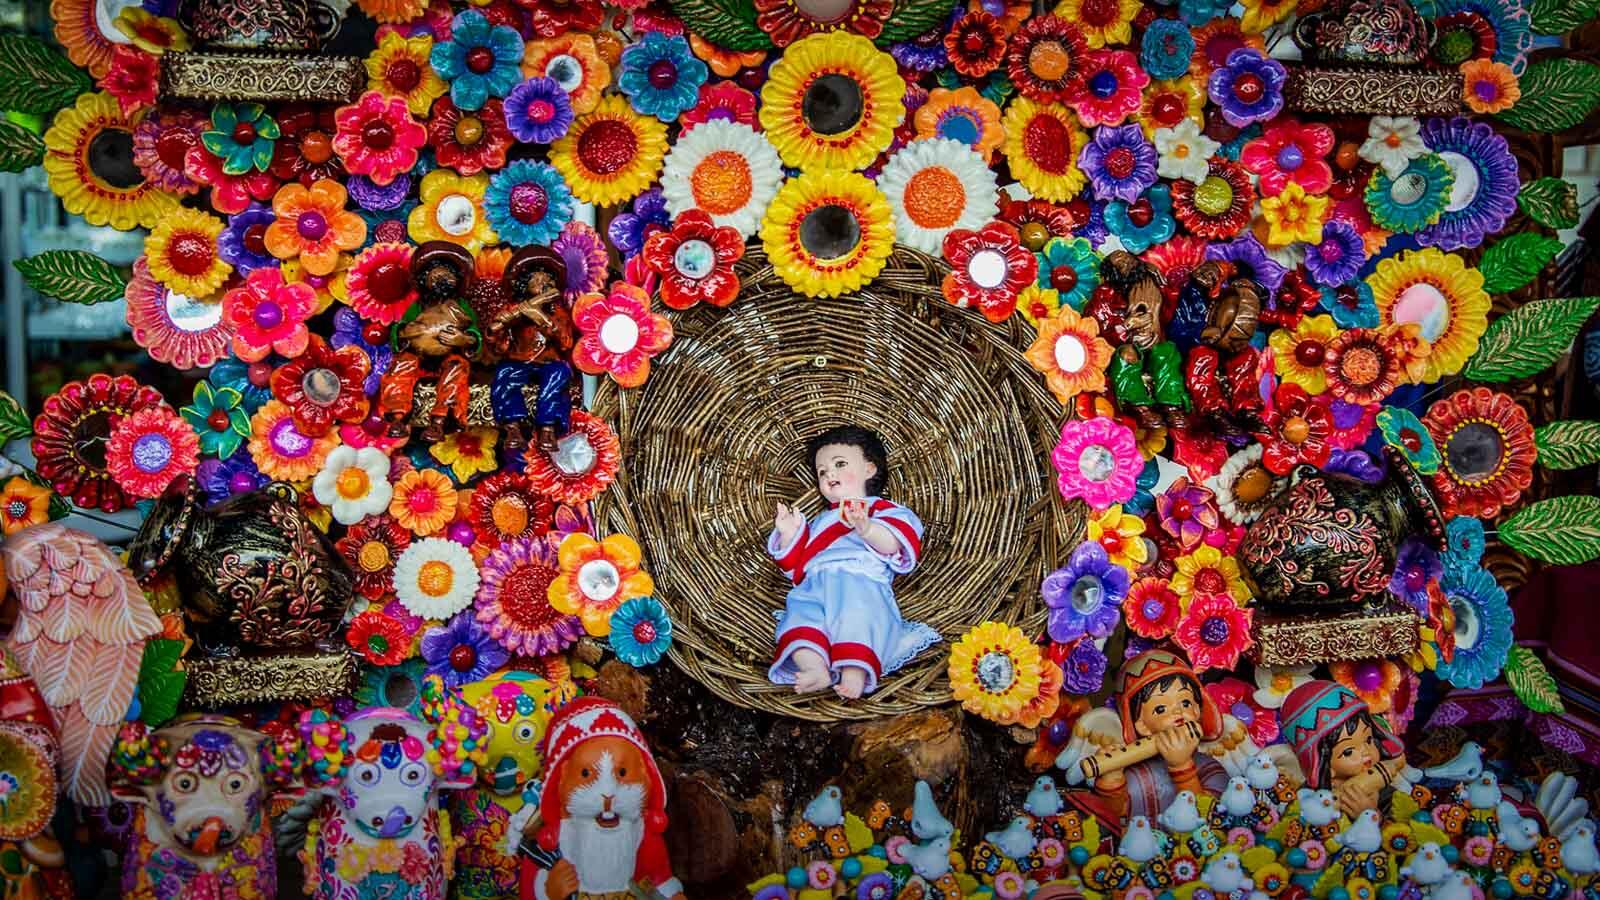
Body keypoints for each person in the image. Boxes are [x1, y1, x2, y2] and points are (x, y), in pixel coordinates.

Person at [767, 424, 939, 700]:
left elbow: (895, 545)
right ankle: (814, 668)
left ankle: (854, 674)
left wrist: (867, 528)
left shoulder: (884, 510)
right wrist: (789, 534)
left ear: (869, 469)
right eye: (822, 471)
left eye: (839, 463)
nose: (829, 474)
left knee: (857, 618)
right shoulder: (819, 522)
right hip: (815, 584)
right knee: (798, 618)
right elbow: (796, 568)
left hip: (859, 580)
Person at [1077, 649, 1229, 827]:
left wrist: (1182, 767)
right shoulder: (1134, 775)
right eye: (1160, 709)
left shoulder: (1208, 766)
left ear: (1197, 710)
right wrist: (1112, 781)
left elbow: (1215, 819)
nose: (1178, 712)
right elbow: (1112, 820)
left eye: (1185, 703)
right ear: (1142, 725)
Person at [1280, 680, 1408, 818]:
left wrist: (1372, 817)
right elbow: (1295, 829)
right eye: (1348, 752)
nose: (1366, 752)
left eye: (1369, 740)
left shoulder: (1384, 790)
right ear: (1325, 764)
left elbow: (1401, 829)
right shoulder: (1308, 800)